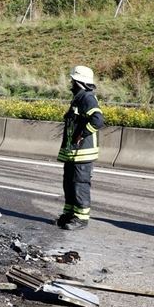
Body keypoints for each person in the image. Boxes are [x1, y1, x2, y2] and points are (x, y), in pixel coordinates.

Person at [56, 65, 104, 230]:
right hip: (73, 152)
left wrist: (82, 134)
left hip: (83, 152)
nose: (71, 84)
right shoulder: (79, 98)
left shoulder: (87, 98)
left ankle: (81, 219)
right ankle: (69, 214)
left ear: (79, 82)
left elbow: (97, 120)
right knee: (69, 184)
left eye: (73, 81)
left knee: (79, 184)